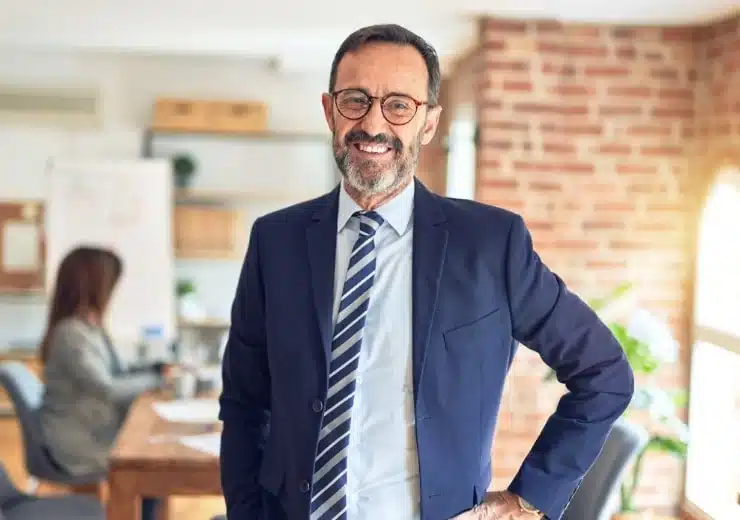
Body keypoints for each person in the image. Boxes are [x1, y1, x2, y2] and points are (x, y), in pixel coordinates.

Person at [218, 24, 634, 520]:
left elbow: (604, 373)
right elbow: (245, 404)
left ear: (429, 124)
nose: (373, 124)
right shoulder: (275, 242)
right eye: (356, 100)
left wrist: (530, 498)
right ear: (330, 110)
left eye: (398, 105)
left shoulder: (490, 244)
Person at [38, 246, 165, 520]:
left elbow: (117, 371)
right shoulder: (71, 333)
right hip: (78, 441)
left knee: (157, 471)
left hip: (94, 428)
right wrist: (157, 379)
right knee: (153, 468)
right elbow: (106, 387)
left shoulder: (90, 328)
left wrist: (154, 368)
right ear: (93, 285)